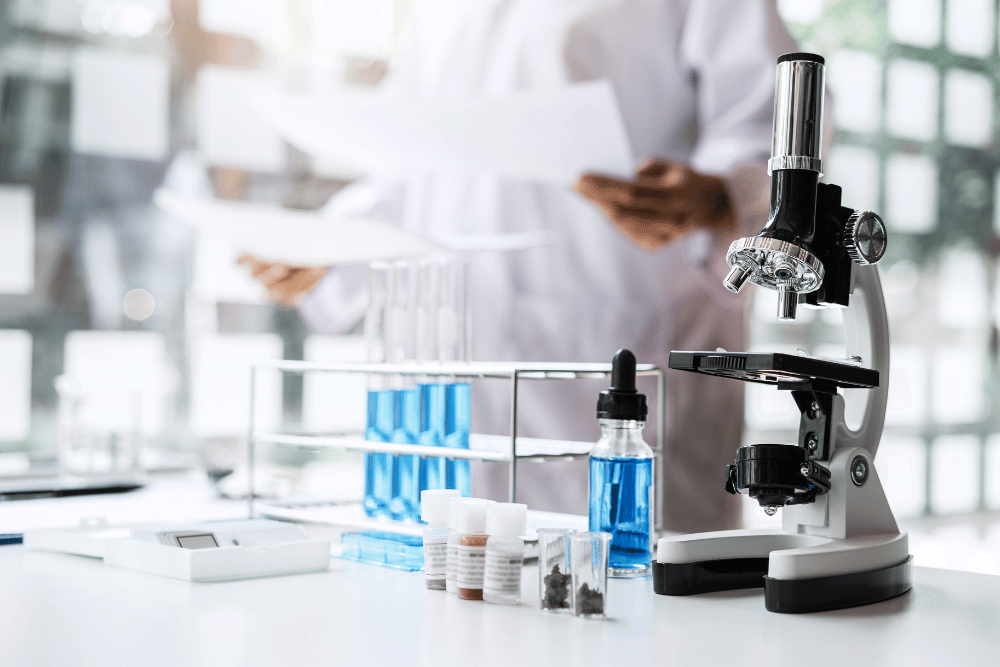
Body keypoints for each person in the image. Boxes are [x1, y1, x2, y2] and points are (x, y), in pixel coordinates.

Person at [243, 0, 799, 533]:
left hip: (622, 339)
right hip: (459, 365)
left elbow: (773, 123)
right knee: (463, 586)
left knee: (644, 593)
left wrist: (719, 195)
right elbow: (418, 159)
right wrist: (331, 243)